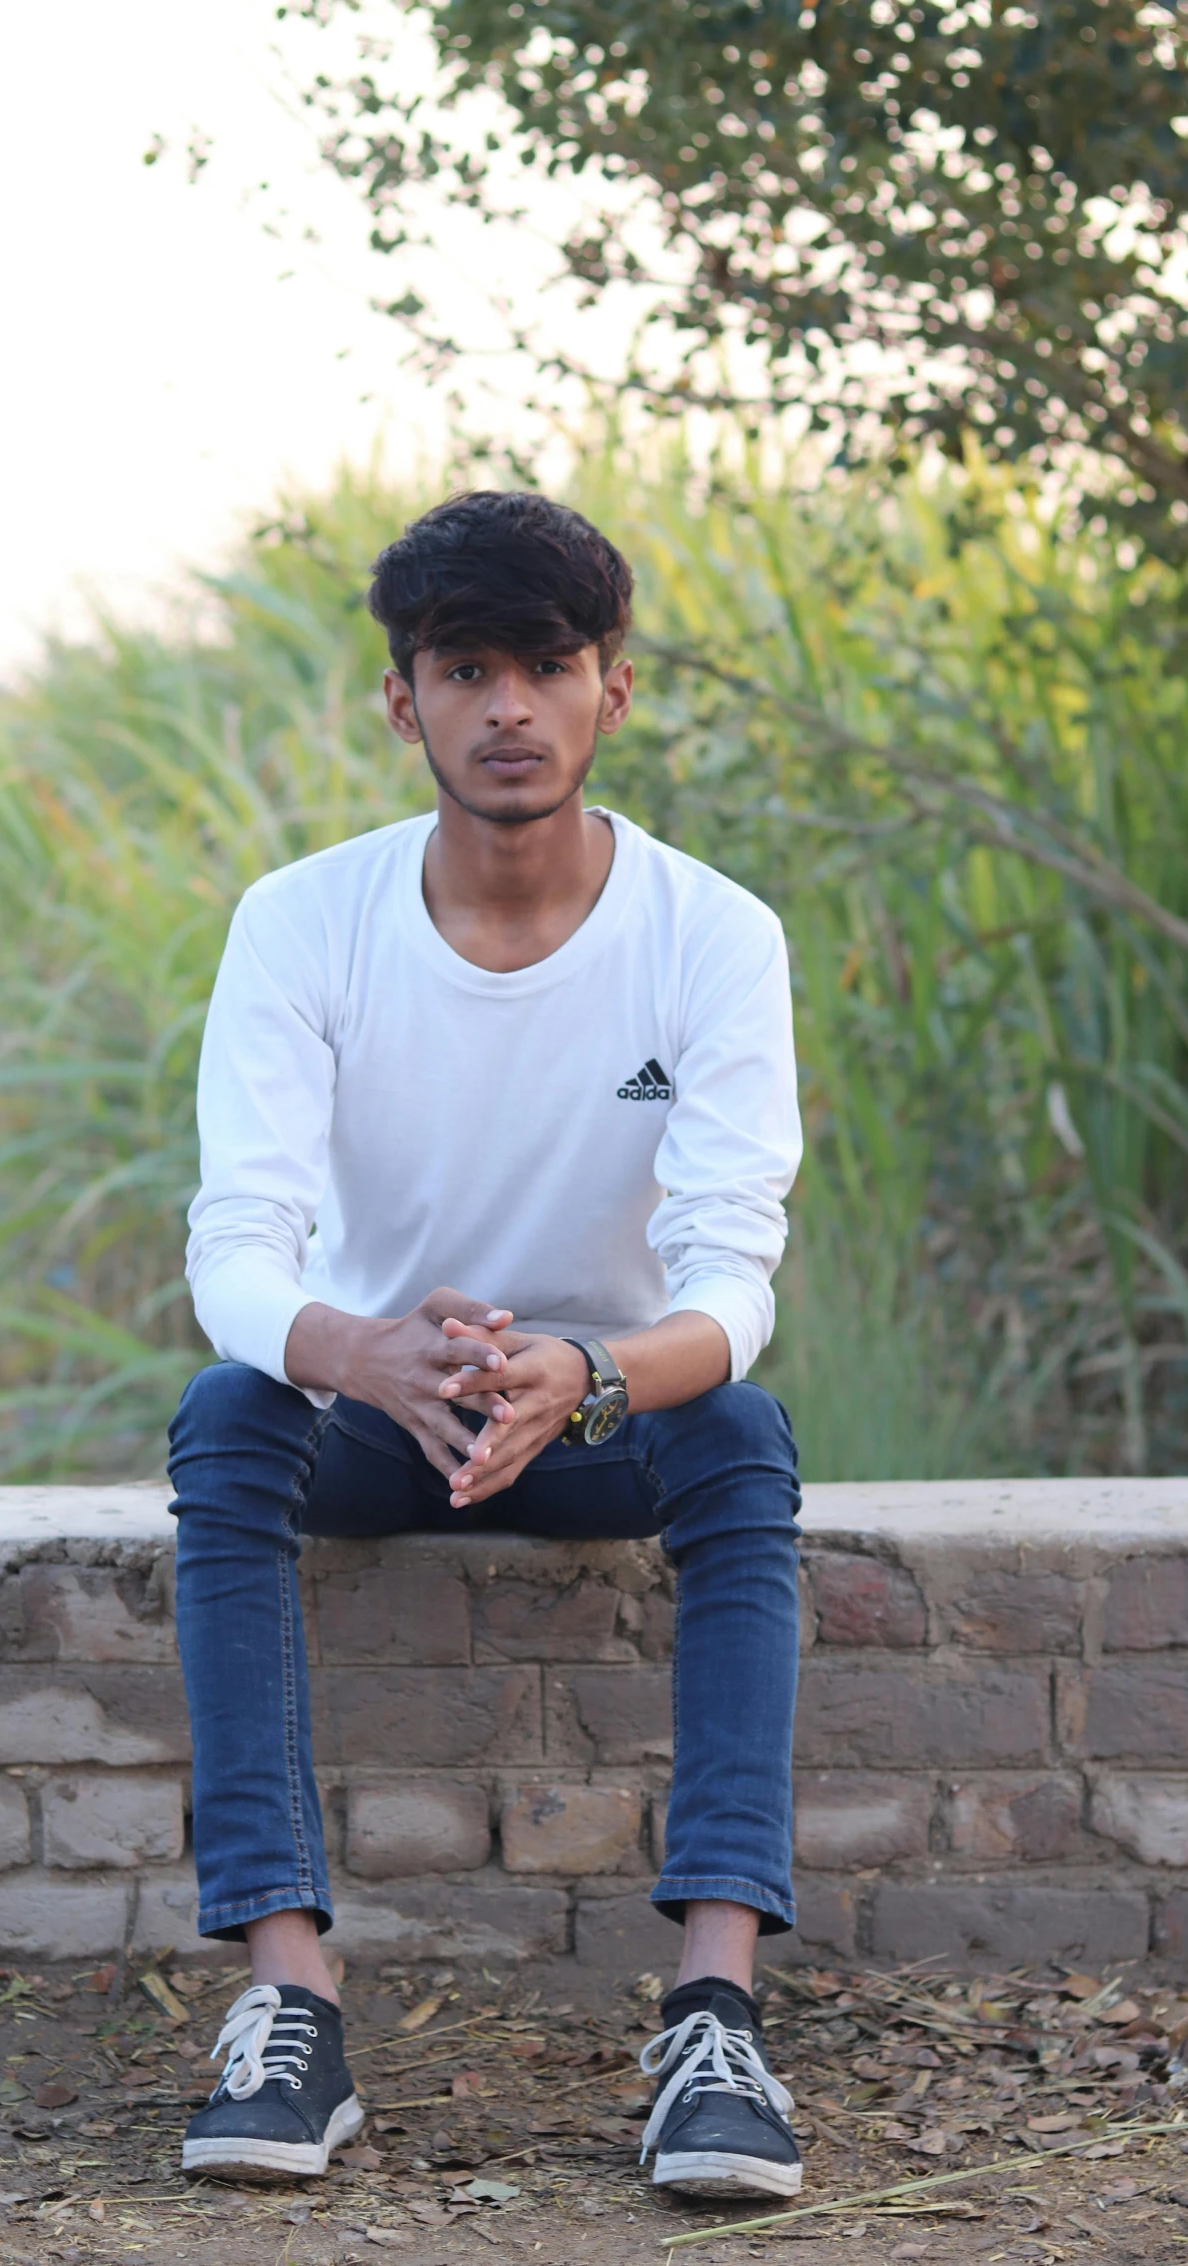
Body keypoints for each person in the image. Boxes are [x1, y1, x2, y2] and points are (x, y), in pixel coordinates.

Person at [168, 490, 805, 2200]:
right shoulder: (302, 921)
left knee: (741, 1432)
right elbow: (236, 1239)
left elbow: (733, 1270)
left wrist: (590, 1373)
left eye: (546, 665)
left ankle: (713, 2014)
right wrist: (355, 1351)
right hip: (381, 1410)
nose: (508, 706)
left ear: (611, 689)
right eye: (466, 670)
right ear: (405, 702)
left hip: (601, 1413)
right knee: (229, 1414)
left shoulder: (711, 933)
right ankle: (291, 2002)